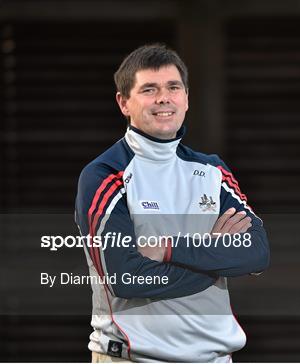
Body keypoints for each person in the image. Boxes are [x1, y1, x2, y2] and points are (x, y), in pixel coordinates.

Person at [75, 44, 270, 363]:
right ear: (124, 103)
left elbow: (257, 252)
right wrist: (215, 263)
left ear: (186, 97)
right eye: (149, 89)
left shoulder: (213, 171)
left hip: (215, 358)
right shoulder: (105, 175)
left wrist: (168, 250)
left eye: (173, 87)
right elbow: (127, 277)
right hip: (133, 358)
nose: (163, 98)